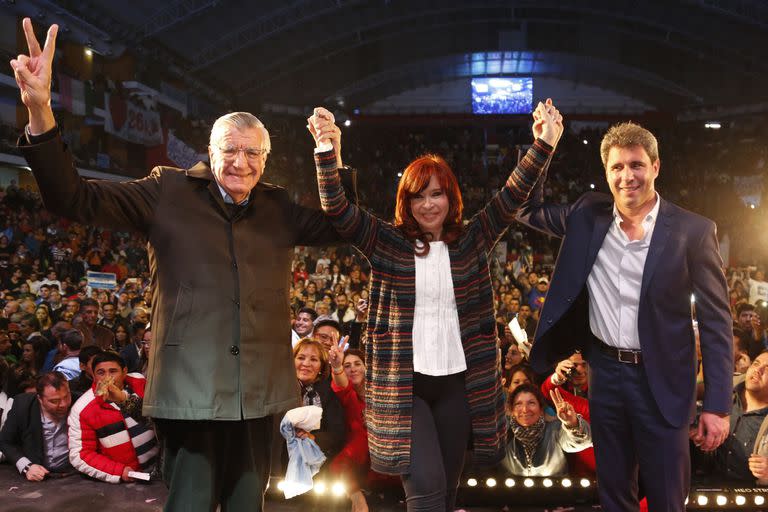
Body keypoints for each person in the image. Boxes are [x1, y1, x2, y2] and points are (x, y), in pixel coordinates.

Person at [11, 17, 356, 511]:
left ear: (267, 158)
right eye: (230, 151)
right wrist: (41, 110)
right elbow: (73, 199)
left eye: (253, 153)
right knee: (190, 501)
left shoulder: (277, 206)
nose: (241, 163)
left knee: (246, 504)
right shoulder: (166, 191)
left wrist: (329, 157)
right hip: (191, 392)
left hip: (258, 394)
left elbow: (342, 226)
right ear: (209, 153)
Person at [310, 101, 562, 511]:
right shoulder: (386, 242)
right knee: (425, 491)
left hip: (458, 387)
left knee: (445, 493)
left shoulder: (472, 239)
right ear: (405, 202)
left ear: (450, 197)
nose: (428, 205)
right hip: (403, 388)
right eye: (418, 197)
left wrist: (543, 145)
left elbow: (512, 197)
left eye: (436, 194)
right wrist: (328, 154)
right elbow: (337, 209)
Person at [518, 117, 732, 511]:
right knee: (615, 496)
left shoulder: (693, 230)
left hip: (663, 381)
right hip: (607, 376)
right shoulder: (587, 214)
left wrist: (717, 406)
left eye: (636, 164)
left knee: (668, 498)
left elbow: (718, 324)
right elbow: (524, 208)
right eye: (617, 166)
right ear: (606, 171)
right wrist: (543, 147)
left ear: (655, 167)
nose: (627, 176)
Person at [68, 352, 159, 483]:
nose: (107, 378)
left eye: (113, 371)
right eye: (100, 373)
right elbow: (81, 454)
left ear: (124, 371)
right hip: (129, 480)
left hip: (160, 467)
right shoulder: (82, 408)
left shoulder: (140, 383)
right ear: (93, 375)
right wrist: (119, 471)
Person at [503, 383, 591, 477]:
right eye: (518, 404)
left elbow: (581, 443)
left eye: (531, 403)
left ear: (541, 409)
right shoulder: (502, 432)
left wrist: (572, 424)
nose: (525, 409)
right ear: (512, 410)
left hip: (556, 490)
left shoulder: (555, 430)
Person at [0, 371, 73, 480]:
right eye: (54, 401)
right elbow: (5, 442)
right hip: (35, 475)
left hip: (72, 475)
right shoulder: (22, 406)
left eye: (66, 397)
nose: (63, 404)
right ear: (40, 399)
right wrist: (26, 466)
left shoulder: (79, 403)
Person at [328, 342, 372, 512]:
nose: (353, 369)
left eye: (357, 364)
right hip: (355, 458)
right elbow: (341, 383)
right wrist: (337, 366)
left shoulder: (382, 391)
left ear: (366, 367)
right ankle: (355, 494)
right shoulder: (347, 394)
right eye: (348, 366)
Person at [291, 338, 345, 458]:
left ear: (322, 366)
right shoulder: (280, 389)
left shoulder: (328, 392)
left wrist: (313, 438)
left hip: (319, 459)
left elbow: (337, 433)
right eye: (301, 358)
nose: (306, 364)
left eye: (314, 359)